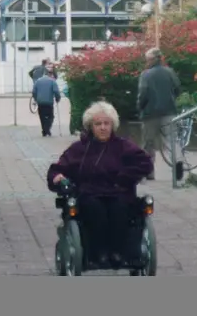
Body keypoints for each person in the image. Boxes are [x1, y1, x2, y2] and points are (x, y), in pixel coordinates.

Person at [47, 101, 153, 268]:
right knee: (95, 210)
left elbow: (145, 163)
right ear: (91, 126)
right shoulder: (79, 148)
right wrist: (58, 178)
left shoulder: (123, 146)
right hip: (89, 193)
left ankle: (120, 252)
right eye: (98, 124)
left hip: (119, 192)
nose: (103, 127)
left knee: (120, 209)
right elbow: (57, 169)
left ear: (113, 125)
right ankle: (99, 253)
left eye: (106, 123)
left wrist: (124, 177)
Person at [137, 48, 179, 180]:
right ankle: (178, 164)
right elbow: (177, 88)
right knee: (172, 140)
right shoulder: (170, 72)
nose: (146, 62)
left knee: (148, 143)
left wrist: (140, 107)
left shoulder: (146, 74)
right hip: (169, 111)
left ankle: (149, 172)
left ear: (154, 59)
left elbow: (143, 93)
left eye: (148, 60)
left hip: (150, 113)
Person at [32, 69, 62, 136]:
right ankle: (47, 129)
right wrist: (58, 98)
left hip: (40, 102)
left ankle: (45, 130)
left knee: (42, 117)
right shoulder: (52, 81)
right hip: (49, 102)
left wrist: (36, 99)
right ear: (50, 75)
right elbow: (56, 91)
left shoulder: (38, 81)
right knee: (50, 116)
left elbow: (34, 92)